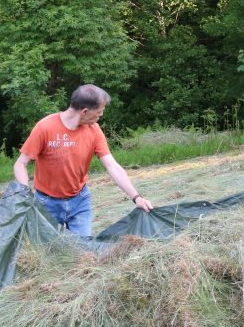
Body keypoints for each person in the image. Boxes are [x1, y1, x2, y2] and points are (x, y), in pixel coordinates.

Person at [13, 84, 153, 238]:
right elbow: (20, 164)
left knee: (83, 252)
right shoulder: (45, 127)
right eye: (99, 113)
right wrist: (25, 194)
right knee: (52, 254)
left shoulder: (94, 130)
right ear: (85, 111)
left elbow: (112, 165)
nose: (100, 117)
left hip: (80, 201)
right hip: (46, 203)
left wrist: (136, 197)